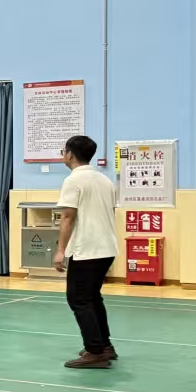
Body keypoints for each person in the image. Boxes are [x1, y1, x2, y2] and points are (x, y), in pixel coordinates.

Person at [55, 134, 119, 369]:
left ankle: (95, 351)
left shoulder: (73, 181)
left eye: (63, 151)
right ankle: (104, 346)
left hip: (88, 249)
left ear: (70, 154)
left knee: (79, 298)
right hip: (107, 247)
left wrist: (60, 250)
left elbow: (67, 217)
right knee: (92, 297)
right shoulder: (105, 180)